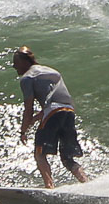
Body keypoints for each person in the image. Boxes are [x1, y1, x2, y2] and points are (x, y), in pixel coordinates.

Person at [12, 46, 89, 188]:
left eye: (15, 62)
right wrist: (34, 120)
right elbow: (56, 102)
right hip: (68, 112)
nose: (14, 66)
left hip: (52, 113)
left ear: (24, 62)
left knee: (39, 154)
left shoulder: (27, 77)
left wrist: (23, 131)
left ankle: (49, 186)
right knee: (67, 158)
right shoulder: (52, 72)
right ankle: (86, 182)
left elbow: (28, 108)